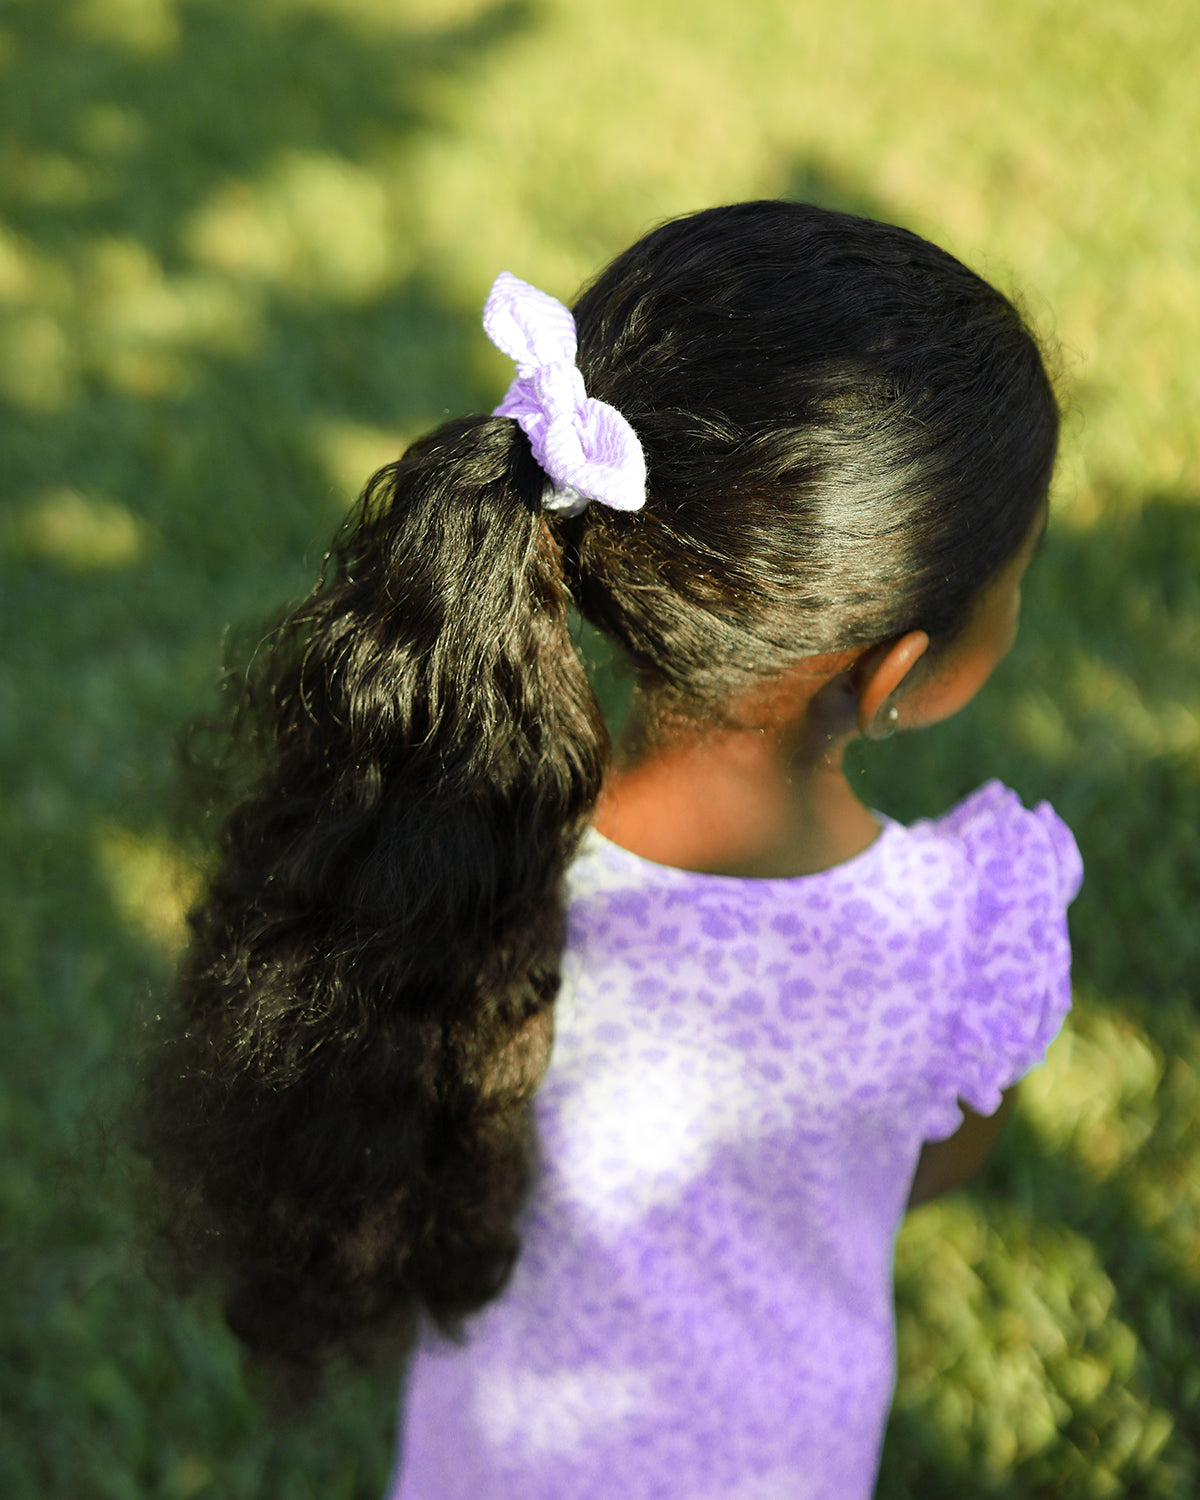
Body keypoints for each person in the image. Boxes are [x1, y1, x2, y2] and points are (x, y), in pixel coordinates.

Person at [141, 201, 1082, 1500]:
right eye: (1017, 576)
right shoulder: (972, 931)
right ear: (894, 674)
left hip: (492, 1458)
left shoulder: (456, 860)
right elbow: (946, 1159)